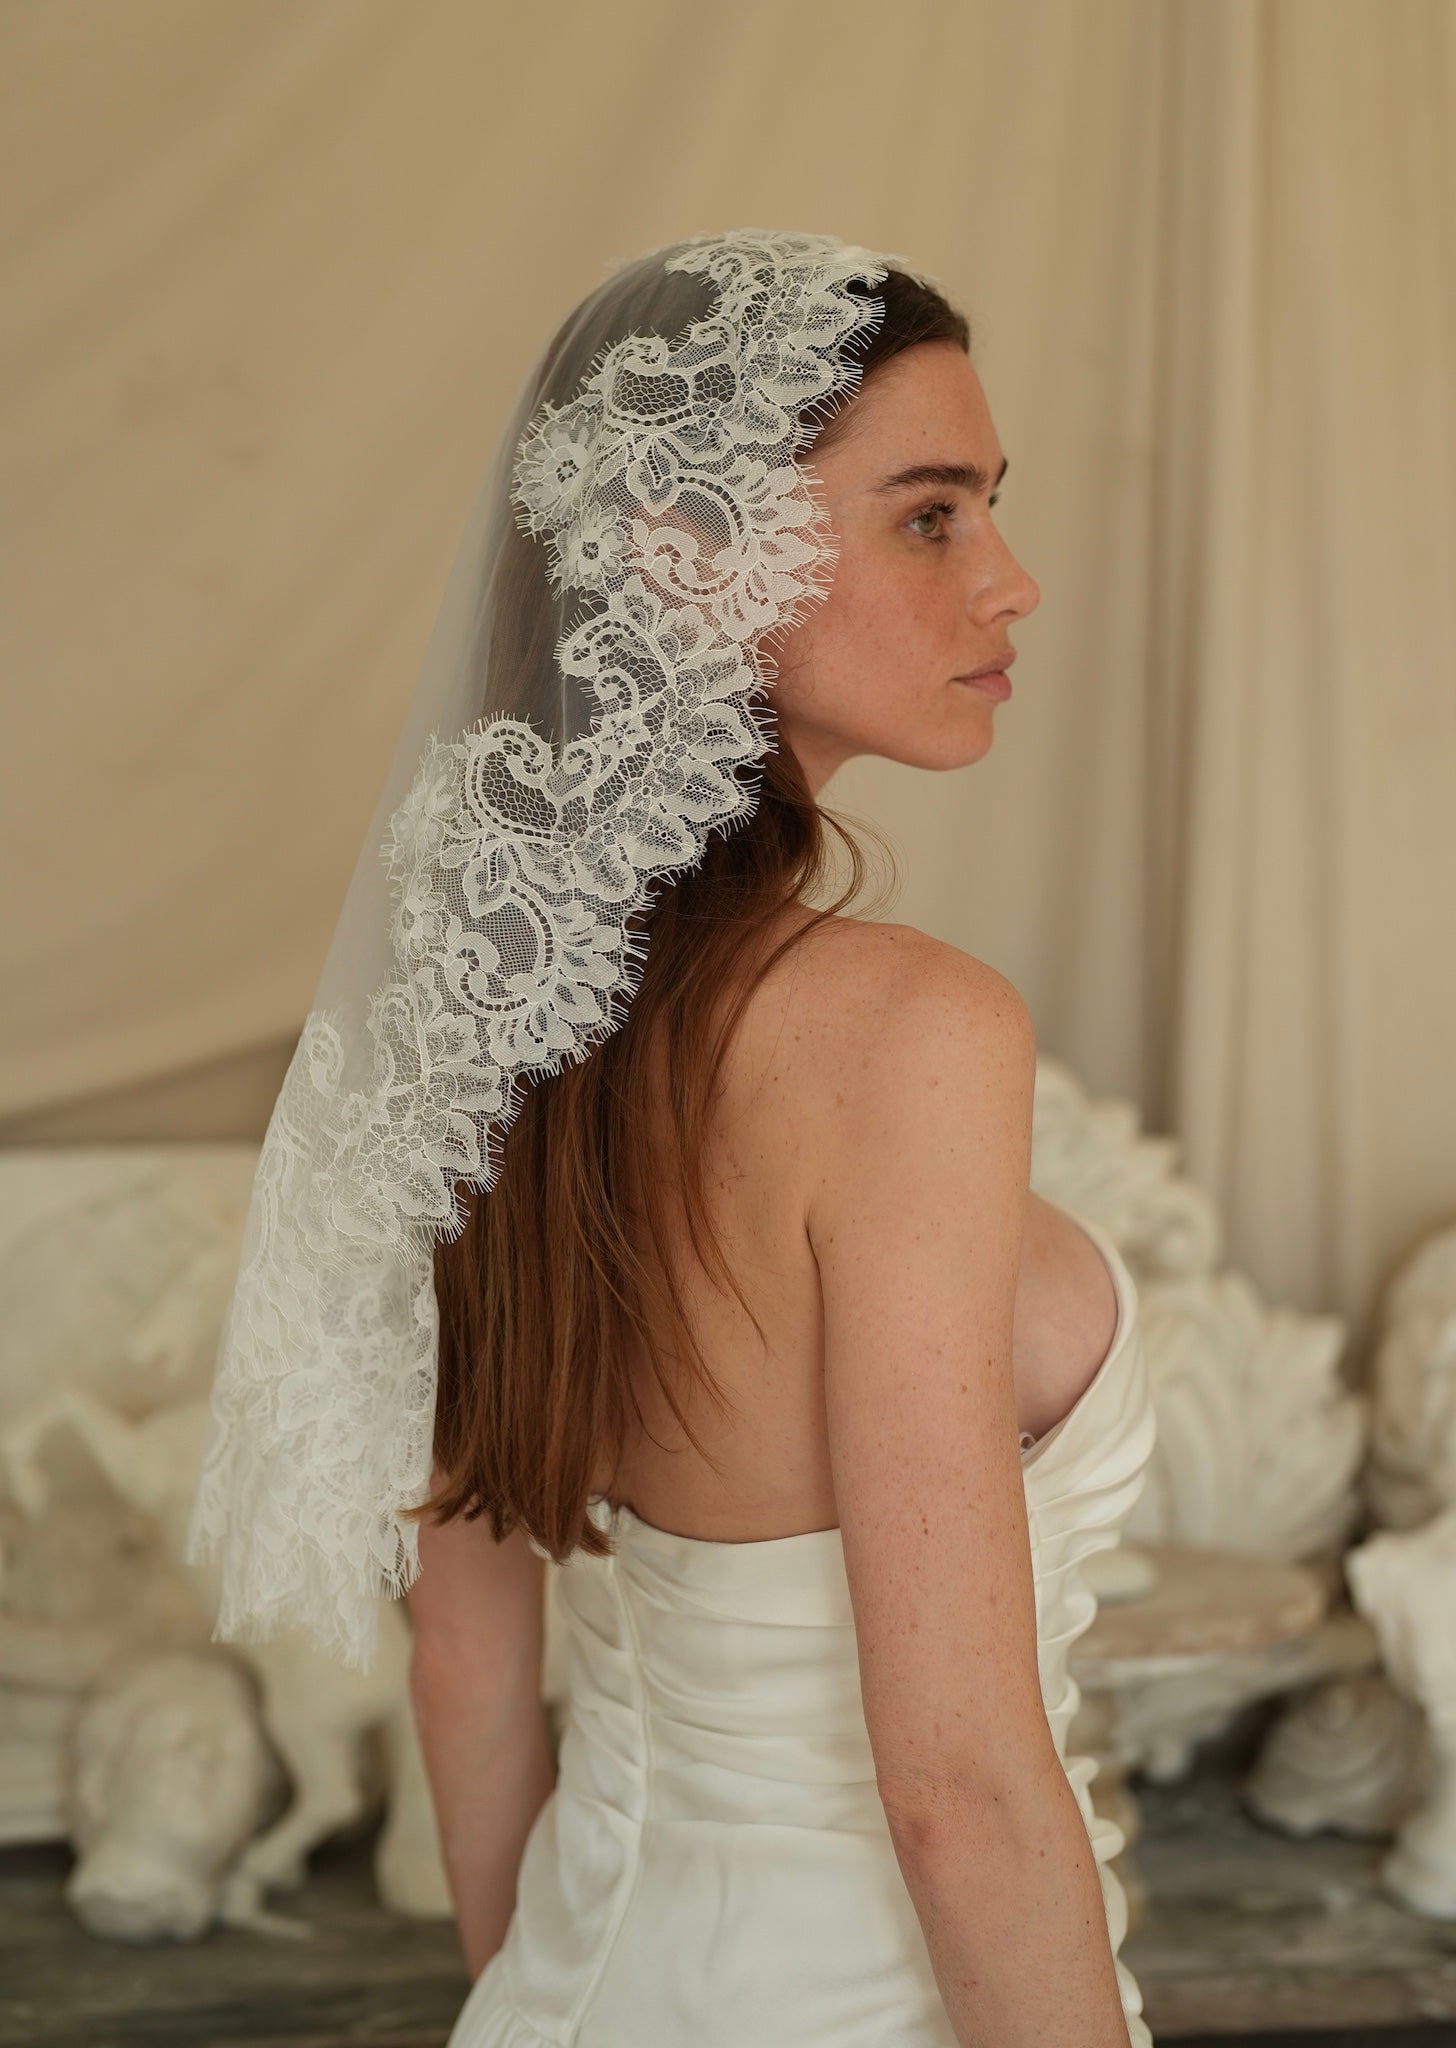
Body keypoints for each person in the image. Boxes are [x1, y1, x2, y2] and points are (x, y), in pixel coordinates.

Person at [187, 230, 1156, 2047]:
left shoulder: (473, 1017)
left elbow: (469, 1660)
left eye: (989, 508)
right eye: (928, 516)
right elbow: (954, 1794)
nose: (1010, 581)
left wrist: (535, 2002)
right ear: (689, 556)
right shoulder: (915, 1033)